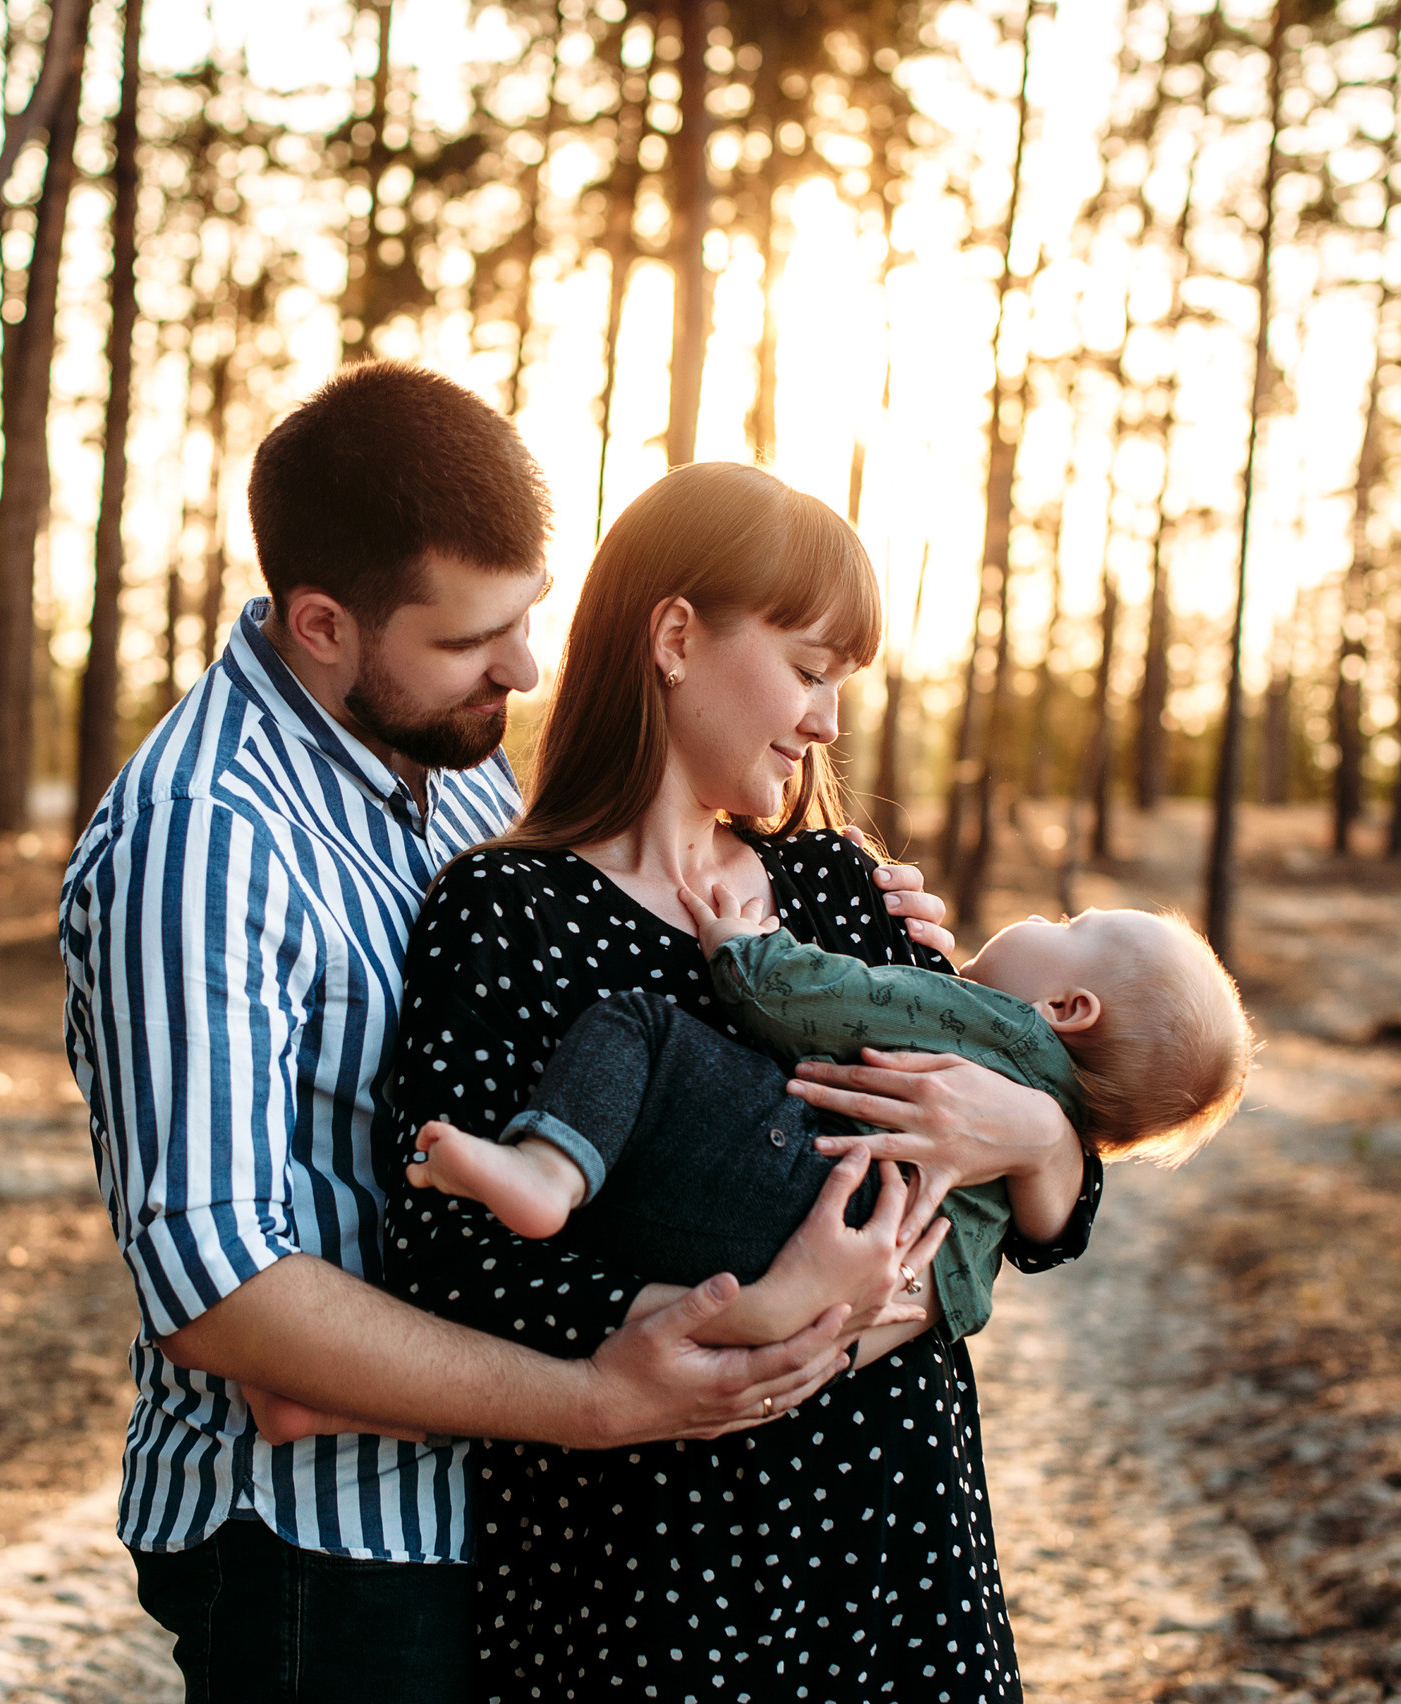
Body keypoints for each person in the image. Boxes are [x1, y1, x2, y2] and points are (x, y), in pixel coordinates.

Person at [57, 366, 958, 1703]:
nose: (525, 668)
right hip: (326, 1545)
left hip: (507, 1515)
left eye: (527, 617)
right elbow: (219, 1296)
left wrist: (883, 985)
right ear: (320, 625)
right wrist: (609, 1396)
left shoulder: (460, 765)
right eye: (474, 638)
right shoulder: (202, 845)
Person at [377, 460, 1098, 1702]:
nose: (826, 722)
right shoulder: (505, 914)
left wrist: (1035, 1134)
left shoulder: (834, 887)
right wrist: (760, 1308)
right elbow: (447, 1262)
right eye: (810, 670)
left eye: (840, 686)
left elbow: (1027, 1221)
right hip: (652, 1576)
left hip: (897, 1556)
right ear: (673, 636)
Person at [397, 894, 1252, 1346]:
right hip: (837, 1272)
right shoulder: (1033, 1128)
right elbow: (962, 1293)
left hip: (779, 1174)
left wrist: (742, 949)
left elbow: (832, 1004)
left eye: (1069, 925)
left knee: (642, 1026)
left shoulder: (986, 1024)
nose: (1040, 915)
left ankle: (550, 1169)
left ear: (1066, 1009)